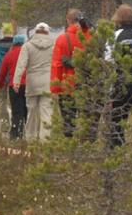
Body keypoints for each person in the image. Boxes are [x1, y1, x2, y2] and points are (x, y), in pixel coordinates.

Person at [106, 4, 132, 148]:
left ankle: (117, 151)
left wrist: (109, 90)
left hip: (121, 85)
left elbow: (108, 63)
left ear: (117, 19)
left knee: (117, 121)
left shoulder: (114, 37)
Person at [51, 8, 91, 138]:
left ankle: (69, 145)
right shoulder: (89, 36)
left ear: (68, 21)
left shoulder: (62, 39)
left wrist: (55, 89)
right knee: (88, 118)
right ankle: (87, 144)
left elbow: (56, 65)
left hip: (68, 84)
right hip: (87, 83)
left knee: (68, 119)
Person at [12, 22, 55, 142]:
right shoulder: (53, 45)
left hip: (32, 83)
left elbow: (21, 65)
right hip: (48, 82)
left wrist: (16, 81)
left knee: (31, 112)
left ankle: (30, 140)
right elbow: (56, 64)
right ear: (47, 31)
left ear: (35, 32)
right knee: (46, 113)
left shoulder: (27, 46)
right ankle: (45, 142)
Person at [0, 34, 28, 140]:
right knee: (27, 111)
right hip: (28, 86)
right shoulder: (28, 53)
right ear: (23, 43)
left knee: (17, 112)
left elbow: (2, 72)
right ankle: (28, 135)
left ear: (14, 43)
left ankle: (16, 136)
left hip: (14, 87)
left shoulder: (9, 55)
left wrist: (0, 84)